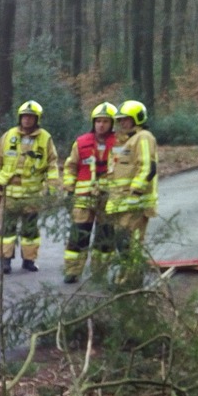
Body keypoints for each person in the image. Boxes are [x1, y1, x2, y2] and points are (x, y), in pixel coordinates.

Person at [0, 100, 60, 273]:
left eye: (31, 117)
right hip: (10, 193)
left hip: (32, 194)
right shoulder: (9, 135)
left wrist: (52, 187)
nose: (27, 120)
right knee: (7, 229)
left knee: (30, 230)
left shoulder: (45, 138)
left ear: (37, 119)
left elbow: (52, 164)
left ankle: (29, 260)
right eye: (24, 116)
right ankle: (5, 261)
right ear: (20, 117)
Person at [60, 102, 117, 283]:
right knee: (78, 235)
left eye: (106, 121)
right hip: (83, 199)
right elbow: (70, 167)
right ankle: (72, 271)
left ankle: (99, 272)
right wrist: (69, 189)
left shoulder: (120, 143)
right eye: (98, 121)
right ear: (93, 122)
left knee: (104, 237)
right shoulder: (81, 142)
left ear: (112, 123)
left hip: (108, 199)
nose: (101, 125)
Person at [104, 99, 158, 285]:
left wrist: (136, 190)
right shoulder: (127, 141)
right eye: (120, 120)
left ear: (137, 118)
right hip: (121, 202)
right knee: (123, 242)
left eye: (126, 119)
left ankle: (132, 278)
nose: (122, 123)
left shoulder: (143, 137)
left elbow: (148, 167)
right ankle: (126, 275)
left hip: (135, 203)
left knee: (131, 243)